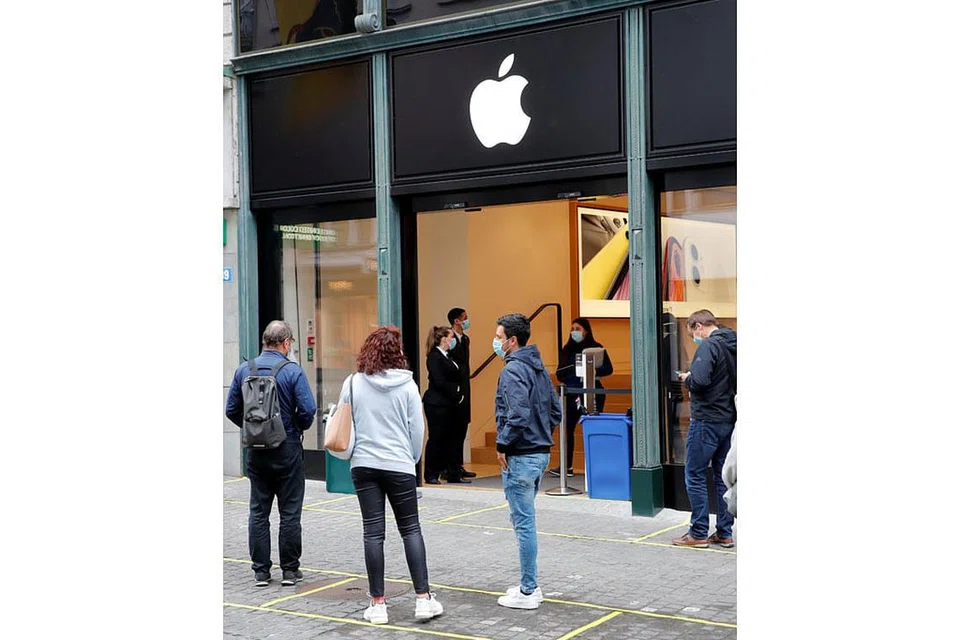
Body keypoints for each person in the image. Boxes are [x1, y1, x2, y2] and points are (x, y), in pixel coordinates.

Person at [336, 326, 443, 624]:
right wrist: (409, 460)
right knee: (411, 529)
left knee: (373, 532)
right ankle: (423, 599)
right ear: (397, 352)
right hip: (399, 466)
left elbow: (343, 420)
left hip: (364, 465)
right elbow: (417, 431)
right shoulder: (407, 385)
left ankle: (378, 603)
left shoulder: (354, 383)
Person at [225, 320, 317, 587]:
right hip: (287, 447)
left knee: (258, 510)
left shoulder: (244, 369)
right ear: (286, 343)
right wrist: (297, 428)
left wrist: (253, 429)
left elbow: (231, 409)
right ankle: (290, 570)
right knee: (289, 511)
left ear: (264, 341)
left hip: (256, 451)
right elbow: (308, 410)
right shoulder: (292, 371)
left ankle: (261, 572)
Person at [492, 313, 562, 610]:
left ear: (512, 340)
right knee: (524, 520)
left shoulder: (512, 371)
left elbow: (518, 414)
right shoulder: (538, 367)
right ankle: (528, 583)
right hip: (539, 453)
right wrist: (542, 435)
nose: (495, 341)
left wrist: (502, 444)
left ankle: (528, 590)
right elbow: (556, 411)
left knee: (523, 524)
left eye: (498, 336)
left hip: (521, 456)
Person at [673, 309, 737, 549]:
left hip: (706, 419)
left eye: (692, 334)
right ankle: (724, 532)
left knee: (695, 474)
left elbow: (699, 381)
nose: (694, 339)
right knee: (722, 477)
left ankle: (698, 532)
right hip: (727, 419)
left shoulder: (709, 346)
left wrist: (687, 378)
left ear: (699, 326)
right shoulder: (733, 344)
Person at [551, 317, 613, 477]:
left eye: (578, 329)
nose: (574, 332)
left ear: (586, 330)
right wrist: (573, 373)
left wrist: (592, 371)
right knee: (568, 429)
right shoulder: (567, 349)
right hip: (571, 393)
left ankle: (595, 465)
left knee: (593, 428)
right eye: (573, 329)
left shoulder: (596, 348)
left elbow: (608, 369)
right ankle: (567, 466)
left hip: (592, 391)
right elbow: (560, 373)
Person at [422, 326, 469, 484]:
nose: (453, 340)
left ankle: (451, 472)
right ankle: (431, 473)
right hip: (437, 404)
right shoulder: (434, 357)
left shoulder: (448, 356)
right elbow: (439, 381)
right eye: (451, 337)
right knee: (437, 438)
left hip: (449, 404)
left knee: (450, 438)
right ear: (443, 338)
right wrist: (456, 391)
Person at [447, 307, 476, 479]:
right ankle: (451, 468)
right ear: (456, 321)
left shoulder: (465, 339)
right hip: (454, 390)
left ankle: (459, 465)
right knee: (453, 431)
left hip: (465, 388)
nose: (467, 320)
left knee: (462, 430)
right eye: (464, 318)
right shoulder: (449, 339)